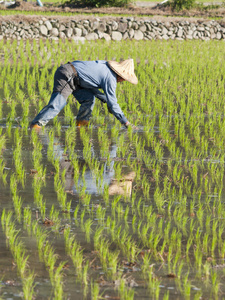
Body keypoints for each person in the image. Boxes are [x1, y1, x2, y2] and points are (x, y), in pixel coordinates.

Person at [30, 59, 138, 129]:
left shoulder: (104, 67)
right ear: (121, 76)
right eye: (124, 79)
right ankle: (34, 127)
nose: (122, 81)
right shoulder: (110, 78)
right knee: (57, 104)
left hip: (78, 80)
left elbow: (92, 88)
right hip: (68, 75)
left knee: (88, 99)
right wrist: (126, 123)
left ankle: (81, 126)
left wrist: (106, 100)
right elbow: (113, 103)